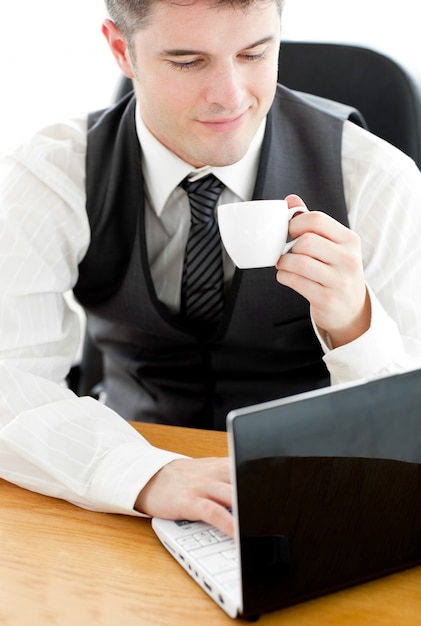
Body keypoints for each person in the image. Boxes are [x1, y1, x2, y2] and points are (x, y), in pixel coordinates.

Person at [1, 0, 421, 535]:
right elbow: (7, 379)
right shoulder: (51, 173)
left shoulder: (377, 178)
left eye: (254, 53)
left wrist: (355, 325)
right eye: (187, 61)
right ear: (120, 49)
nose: (230, 96)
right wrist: (148, 474)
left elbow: (408, 436)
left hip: (306, 496)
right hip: (117, 482)